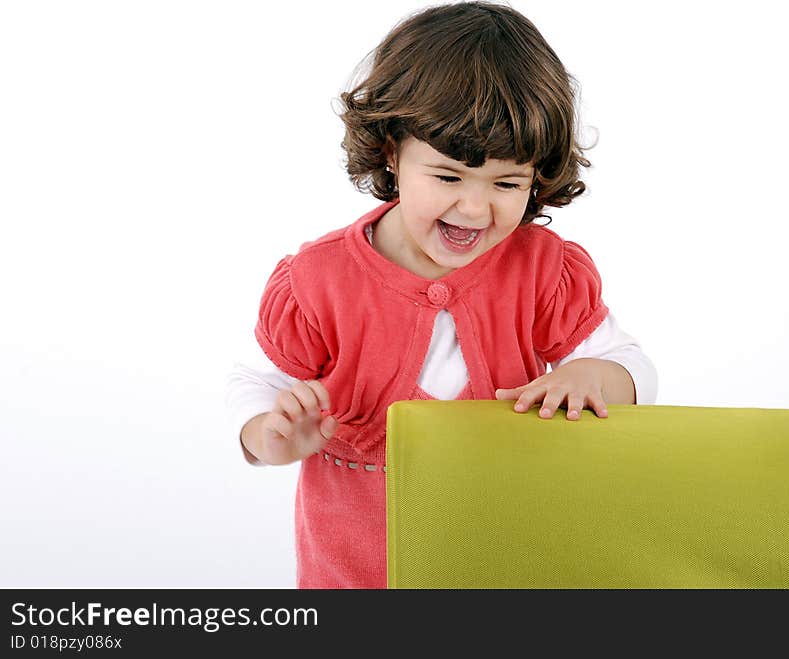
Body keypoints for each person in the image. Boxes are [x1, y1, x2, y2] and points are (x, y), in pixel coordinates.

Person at [225, 0, 658, 588]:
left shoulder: (543, 271)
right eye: (449, 177)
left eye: (507, 183)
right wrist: (270, 436)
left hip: (510, 567)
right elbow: (257, 383)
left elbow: (629, 365)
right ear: (390, 152)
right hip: (356, 574)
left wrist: (593, 377)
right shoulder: (317, 282)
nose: (475, 208)